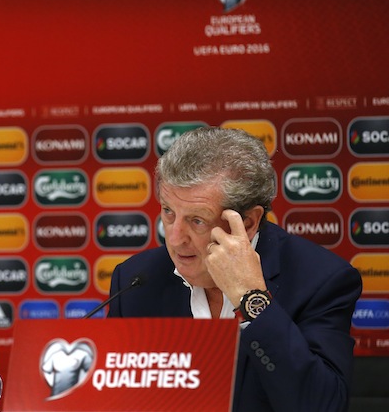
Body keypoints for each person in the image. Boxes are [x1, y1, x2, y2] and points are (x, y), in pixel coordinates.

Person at [108, 126, 362, 411]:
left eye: (197, 220)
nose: (175, 238)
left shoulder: (320, 280)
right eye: (168, 211)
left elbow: (322, 406)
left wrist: (251, 298)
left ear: (248, 222)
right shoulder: (135, 281)